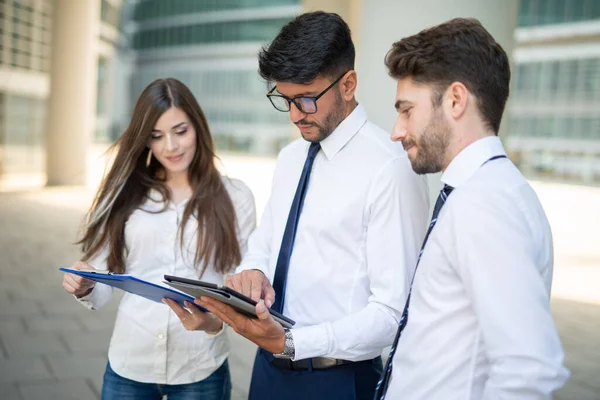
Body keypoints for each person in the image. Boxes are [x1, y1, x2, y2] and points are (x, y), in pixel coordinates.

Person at [185, 11, 429, 400]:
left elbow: (393, 313)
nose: (295, 115)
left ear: (348, 84)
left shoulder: (391, 169)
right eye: (286, 100)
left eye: (307, 100)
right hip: (267, 372)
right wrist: (254, 271)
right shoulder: (289, 158)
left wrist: (293, 341)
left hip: (337, 380)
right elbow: (266, 241)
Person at [375, 18, 570, 400]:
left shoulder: (483, 204)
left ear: (456, 100)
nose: (396, 131)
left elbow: (529, 369)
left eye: (406, 110)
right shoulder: (488, 191)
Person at [61, 78, 256, 400]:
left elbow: (242, 285)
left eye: (180, 131)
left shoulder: (236, 197)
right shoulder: (126, 195)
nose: (170, 146)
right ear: (145, 141)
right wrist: (85, 283)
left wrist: (213, 323)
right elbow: (102, 276)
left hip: (201, 364)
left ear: (198, 128)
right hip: (131, 360)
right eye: (156, 136)